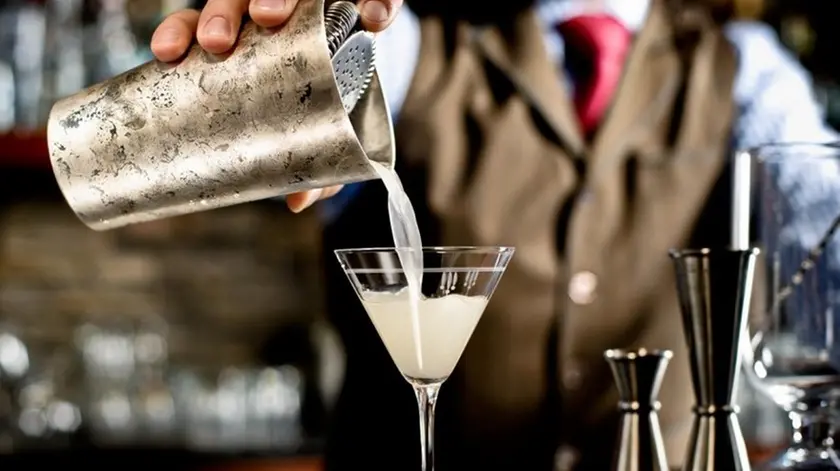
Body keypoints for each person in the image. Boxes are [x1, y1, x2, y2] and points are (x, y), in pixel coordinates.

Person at [150, 0, 839, 469]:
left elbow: (823, 220)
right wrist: (300, 43)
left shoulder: (746, 73)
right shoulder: (417, 42)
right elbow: (362, 61)